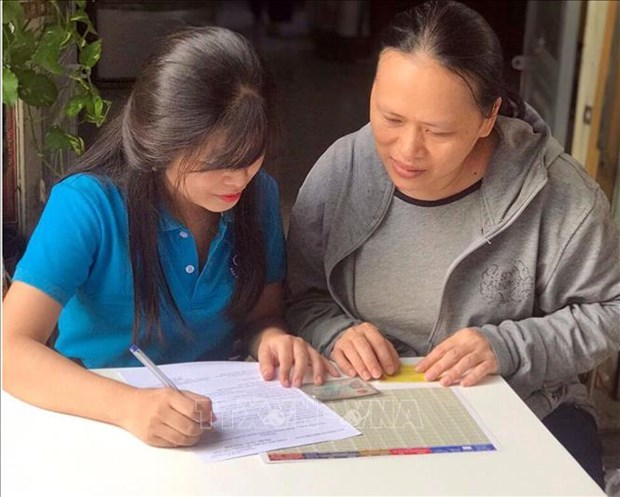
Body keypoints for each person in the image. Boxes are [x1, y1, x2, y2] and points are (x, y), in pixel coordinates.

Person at [286, 0, 620, 488]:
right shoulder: (344, 169)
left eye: (437, 131)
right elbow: (300, 295)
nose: (406, 150)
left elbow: (611, 310)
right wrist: (336, 331)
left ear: (489, 118)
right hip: (368, 403)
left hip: (525, 404)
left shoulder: (561, 197)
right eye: (390, 118)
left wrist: (508, 347)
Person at [3, 26, 336, 449]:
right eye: (219, 162)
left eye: (252, 154)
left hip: (217, 422)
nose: (240, 178)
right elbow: (10, 351)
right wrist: (128, 406)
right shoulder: (89, 205)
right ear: (157, 142)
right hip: (97, 420)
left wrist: (273, 340)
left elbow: (261, 314)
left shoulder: (258, 195)